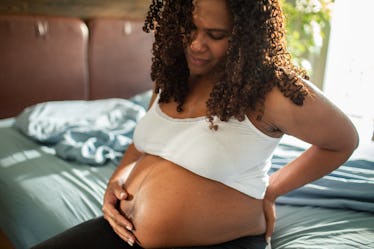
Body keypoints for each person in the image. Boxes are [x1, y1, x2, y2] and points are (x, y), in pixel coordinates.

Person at [31, 0, 358, 248]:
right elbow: (139, 145)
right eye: (189, 28)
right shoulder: (172, 73)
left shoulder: (270, 89)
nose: (196, 44)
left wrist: (271, 191)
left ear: (246, 35)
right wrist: (115, 183)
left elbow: (343, 140)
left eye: (216, 35)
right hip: (120, 233)